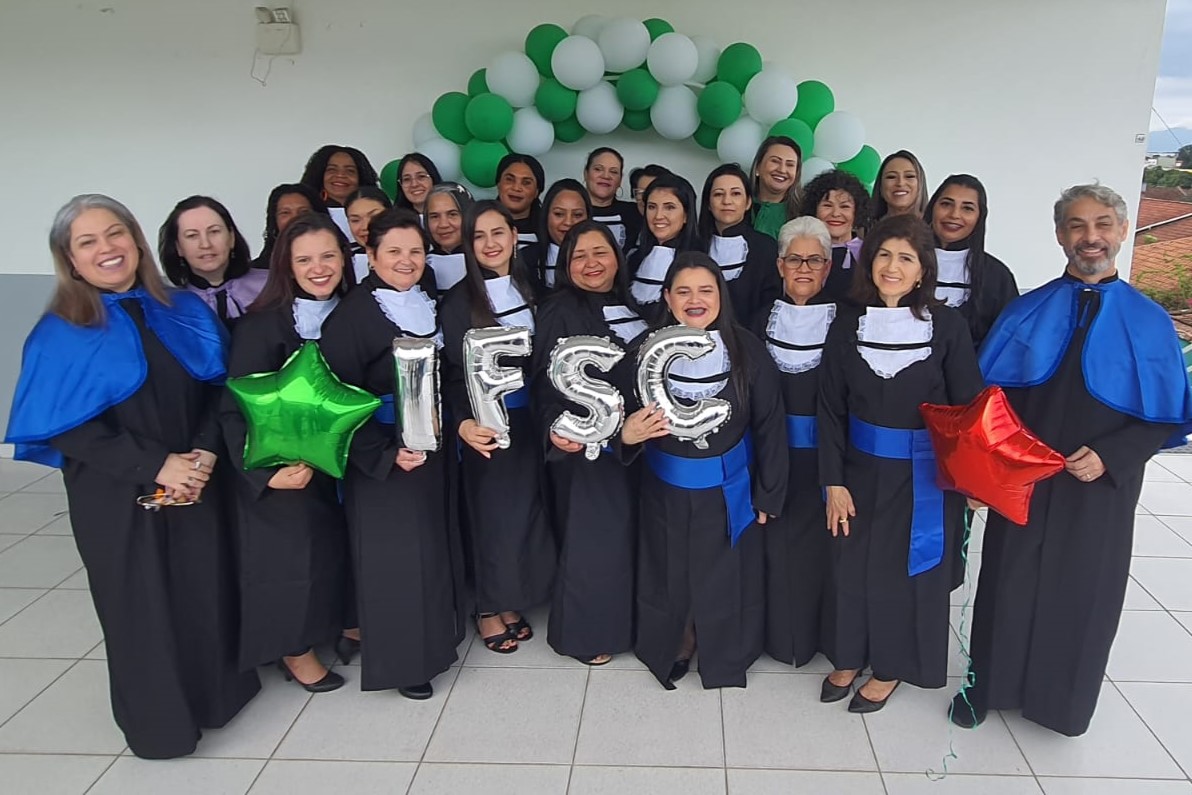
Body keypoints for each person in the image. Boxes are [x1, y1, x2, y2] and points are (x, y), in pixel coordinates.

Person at [5, 194, 260, 758]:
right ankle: (161, 727)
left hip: (196, 478)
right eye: (88, 242)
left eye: (115, 234)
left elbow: (218, 388)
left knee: (203, 585)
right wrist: (155, 465)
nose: (107, 249)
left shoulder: (180, 307)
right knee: (140, 604)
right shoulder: (60, 333)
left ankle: (218, 698)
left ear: (137, 240)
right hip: (117, 494)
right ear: (69, 259)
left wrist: (204, 452)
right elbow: (67, 430)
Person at [951, 184, 1192, 737]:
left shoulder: (1150, 321)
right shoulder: (1025, 309)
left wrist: (1110, 455)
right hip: (1027, 478)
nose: (1091, 237)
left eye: (1102, 224)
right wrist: (996, 463)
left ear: (1122, 230)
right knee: (1007, 582)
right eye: (1077, 226)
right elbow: (991, 400)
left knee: (1083, 590)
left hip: (1100, 485)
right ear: (1060, 235)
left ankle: (1062, 705)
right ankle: (985, 686)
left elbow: (1164, 415)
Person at [818, 214, 983, 713]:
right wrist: (832, 481)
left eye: (905, 258)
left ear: (922, 270)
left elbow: (970, 409)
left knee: (902, 573)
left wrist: (975, 478)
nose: (892, 266)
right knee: (851, 568)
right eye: (884, 255)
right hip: (858, 470)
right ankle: (849, 653)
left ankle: (890, 665)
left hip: (924, 479)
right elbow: (829, 408)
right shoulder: (847, 322)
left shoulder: (948, 326)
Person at [625, 252, 788, 690]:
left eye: (705, 290)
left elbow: (771, 425)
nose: (695, 300)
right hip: (664, 491)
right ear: (667, 298)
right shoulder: (644, 350)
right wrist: (626, 433)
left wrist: (768, 493)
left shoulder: (748, 349)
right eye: (683, 291)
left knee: (724, 578)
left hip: (728, 490)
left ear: (721, 296)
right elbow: (617, 413)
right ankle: (675, 642)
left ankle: (723, 653)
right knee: (668, 573)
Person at [320, 208, 464, 699]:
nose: (407, 261)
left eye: (416, 251)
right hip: (385, 457)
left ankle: (435, 644)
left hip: (432, 448)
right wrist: (383, 452)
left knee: (429, 550)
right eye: (395, 251)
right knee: (396, 561)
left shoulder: (426, 302)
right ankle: (405, 664)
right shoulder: (351, 318)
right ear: (370, 255)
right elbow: (337, 402)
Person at [222, 214, 353, 693]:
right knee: (294, 561)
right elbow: (232, 411)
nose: (318, 268)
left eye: (327, 256)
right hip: (284, 469)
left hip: (347, 462)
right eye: (304, 260)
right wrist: (264, 474)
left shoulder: (356, 312)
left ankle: (338, 625)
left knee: (337, 553)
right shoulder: (261, 327)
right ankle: (294, 650)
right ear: (286, 267)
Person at [440, 200, 555, 654]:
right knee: (490, 516)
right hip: (485, 424)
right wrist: (461, 423)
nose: (490, 244)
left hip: (530, 420)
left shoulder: (533, 291)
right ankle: (488, 607)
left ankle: (511, 598)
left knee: (524, 513)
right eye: (479, 237)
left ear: (513, 236)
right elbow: (447, 373)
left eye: (497, 233)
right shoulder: (457, 302)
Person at [532, 220, 649, 666]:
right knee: (595, 545)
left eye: (600, 252)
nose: (591, 263)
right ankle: (585, 634)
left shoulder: (629, 303)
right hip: (588, 451)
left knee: (627, 540)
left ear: (617, 258)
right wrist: (556, 430)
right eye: (578, 256)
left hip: (636, 446)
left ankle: (632, 623)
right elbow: (543, 383)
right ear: (565, 266)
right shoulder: (558, 309)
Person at [755, 217, 838, 668]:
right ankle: (775, 637)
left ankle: (815, 638)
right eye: (794, 259)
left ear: (827, 268)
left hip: (826, 456)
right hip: (769, 454)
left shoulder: (845, 322)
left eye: (814, 260)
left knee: (818, 552)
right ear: (780, 265)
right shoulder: (757, 318)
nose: (803, 267)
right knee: (772, 545)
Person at [925, 174, 1018, 346]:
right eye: (946, 204)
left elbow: (1007, 344)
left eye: (967, 208)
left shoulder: (997, 276)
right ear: (932, 209)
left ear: (979, 218)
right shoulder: (903, 265)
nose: (954, 214)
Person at [159, 195, 268, 327]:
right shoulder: (169, 305)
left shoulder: (272, 286)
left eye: (214, 231)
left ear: (231, 238)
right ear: (178, 247)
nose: (205, 244)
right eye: (192, 236)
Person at [698, 164, 782, 320]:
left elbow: (770, 305)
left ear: (748, 202)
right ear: (708, 204)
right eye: (718, 194)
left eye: (736, 194)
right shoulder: (695, 248)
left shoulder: (766, 248)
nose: (727, 201)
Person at [627, 173, 702, 322]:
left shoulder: (699, 262)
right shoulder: (634, 259)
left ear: (686, 215)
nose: (658, 216)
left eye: (669, 207)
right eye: (652, 207)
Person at [801, 169, 871, 303]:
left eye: (845, 207)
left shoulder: (869, 252)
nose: (836, 213)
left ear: (857, 212)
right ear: (814, 210)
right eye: (827, 205)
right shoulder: (802, 251)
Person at [522, 178, 591, 289]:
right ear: (546, 215)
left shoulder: (599, 261)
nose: (568, 222)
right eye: (559, 214)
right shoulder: (525, 259)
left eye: (577, 215)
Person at [299, 144, 379, 239]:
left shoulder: (378, 212)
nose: (340, 175)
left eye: (350, 171)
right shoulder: (306, 213)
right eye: (332, 169)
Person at [250, 183, 329, 270]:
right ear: (274, 221)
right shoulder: (257, 271)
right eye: (285, 213)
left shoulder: (335, 263)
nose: (295, 218)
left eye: (304, 212)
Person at [583, 147, 641, 251]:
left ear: (620, 180)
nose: (606, 176)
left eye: (613, 172)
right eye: (598, 169)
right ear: (586, 173)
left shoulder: (635, 212)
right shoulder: (572, 213)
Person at [748, 136, 803, 240]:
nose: (782, 170)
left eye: (790, 165)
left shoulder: (803, 216)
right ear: (758, 167)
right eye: (775, 161)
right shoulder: (736, 205)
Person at [423, 181, 474, 293]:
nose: (443, 224)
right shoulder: (421, 265)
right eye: (434, 216)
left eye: (452, 214)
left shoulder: (486, 259)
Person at [496, 153, 546, 249]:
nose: (516, 188)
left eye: (526, 183)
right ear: (498, 184)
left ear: (537, 192)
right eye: (509, 179)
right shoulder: (479, 224)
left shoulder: (547, 231)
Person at [345, 186, 393, 282]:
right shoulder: (344, 265)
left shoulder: (415, 256)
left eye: (374, 216)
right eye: (355, 220)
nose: (365, 226)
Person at [871, 150, 928, 221]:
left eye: (909, 176)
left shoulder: (935, 227)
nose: (900, 183)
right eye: (891, 177)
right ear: (880, 186)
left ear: (920, 183)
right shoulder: (865, 229)